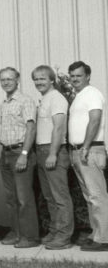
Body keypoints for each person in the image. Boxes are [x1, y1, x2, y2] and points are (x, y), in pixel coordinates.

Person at [0, 67, 39, 248]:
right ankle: (16, 233)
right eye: (2, 79)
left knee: (24, 198)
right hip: (5, 152)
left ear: (17, 79)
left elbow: (31, 129)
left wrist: (25, 154)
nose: (6, 82)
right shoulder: (4, 103)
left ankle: (30, 237)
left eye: (9, 79)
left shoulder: (25, 101)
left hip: (20, 152)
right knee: (11, 198)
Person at [31, 66, 73, 250]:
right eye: (36, 79)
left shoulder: (56, 98)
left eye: (42, 78)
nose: (39, 82)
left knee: (60, 196)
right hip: (41, 149)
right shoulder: (44, 99)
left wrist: (53, 153)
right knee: (49, 196)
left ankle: (64, 236)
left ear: (51, 80)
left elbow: (58, 128)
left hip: (52, 149)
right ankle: (55, 230)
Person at [66, 60, 107, 252]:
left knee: (97, 195)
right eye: (72, 76)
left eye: (79, 75)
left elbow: (95, 119)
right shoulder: (79, 96)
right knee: (90, 196)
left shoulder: (92, 94)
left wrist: (86, 147)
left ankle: (104, 238)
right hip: (78, 150)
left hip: (89, 150)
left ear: (88, 76)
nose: (75, 79)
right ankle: (96, 234)